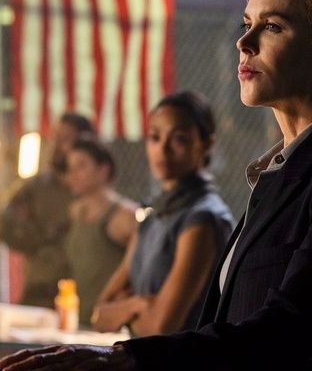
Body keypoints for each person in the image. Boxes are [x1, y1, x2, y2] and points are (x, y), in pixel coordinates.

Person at [0, 0, 312, 371]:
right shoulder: (281, 173)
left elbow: (289, 333)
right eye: (247, 22)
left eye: (273, 26)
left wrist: (126, 360)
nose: (244, 42)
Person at [90, 91, 234, 337]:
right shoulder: (151, 216)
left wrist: (124, 312)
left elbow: (160, 327)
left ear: (205, 144)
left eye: (179, 139)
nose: (163, 149)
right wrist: (137, 304)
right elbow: (99, 316)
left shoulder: (202, 220)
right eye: (155, 137)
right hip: (142, 357)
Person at [0, 112, 94, 307]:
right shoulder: (35, 189)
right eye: (54, 138)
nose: (56, 145)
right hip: (41, 290)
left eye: (65, 139)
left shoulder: (95, 191)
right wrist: (44, 234)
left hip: (86, 293)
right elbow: (5, 226)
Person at [62, 138, 138, 324]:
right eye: (70, 167)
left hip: (110, 323)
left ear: (103, 170)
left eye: (81, 166)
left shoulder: (125, 216)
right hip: (79, 318)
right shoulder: (75, 212)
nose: (72, 174)